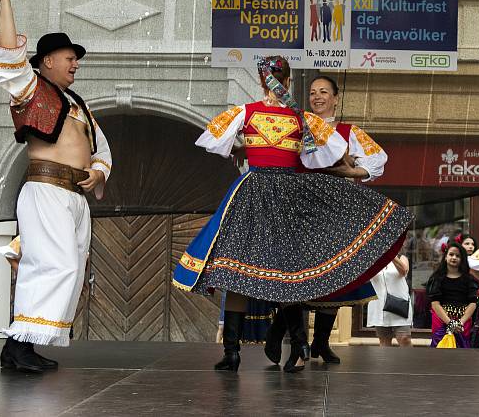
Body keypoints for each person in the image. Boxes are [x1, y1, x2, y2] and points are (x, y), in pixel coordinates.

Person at [172, 56, 413, 373]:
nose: (275, 81)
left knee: (261, 273)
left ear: (276, 81)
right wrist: (245, 149)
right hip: (270, 195)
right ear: (276, 81)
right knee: (259, 274)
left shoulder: (276, 116)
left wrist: (244, 149)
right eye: (272, 76)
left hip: (271, 196)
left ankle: (273, 347)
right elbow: (215, 140)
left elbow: (333, 153)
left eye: (278, 76)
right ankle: (261, 348)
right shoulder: (277, 115)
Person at [0, 0, 112, 373]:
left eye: (76, 58)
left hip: (74, 197)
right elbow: (7, 58)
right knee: (56, 266)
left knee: (69, 266)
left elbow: (102, 149)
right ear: (47, 62)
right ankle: (19, 346)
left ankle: (25, 346)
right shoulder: (31, 87)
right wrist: (5, 0)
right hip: (46, 191)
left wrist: (97, 172)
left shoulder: (79, 105)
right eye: (69, 57)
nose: (75, 63)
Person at [263, 74, 391, 365]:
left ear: (336, 98)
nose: (317, 96)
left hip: (334, 212)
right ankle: (288, 334)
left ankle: (320, 341)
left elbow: (376, 162)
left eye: (324, 92)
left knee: (331, 277)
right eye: (312, 92)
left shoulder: (348, 131)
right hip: (298, 210)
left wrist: (348, 173)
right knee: (295, 275)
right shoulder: (295, 126)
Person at [426, 242, 478, 348]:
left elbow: (473, 303)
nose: (454, 257)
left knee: (462, 354)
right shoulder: (437, 278)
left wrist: (460, 322)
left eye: (458, 256)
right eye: (451, 254)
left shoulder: (469, 279)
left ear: (462, 259)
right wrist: (450, 323)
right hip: (441, 320)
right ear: (445, 257)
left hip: (463, 322)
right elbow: (435, 303)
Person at [367, 255, 413, 347]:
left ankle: (409, 361)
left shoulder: (401, 257)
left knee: (404, 338)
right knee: (384, 341)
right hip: (379, 306)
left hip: (399, 306)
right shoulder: (370, 257)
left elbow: (404, 271)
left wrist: (390, 254)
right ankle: (386, 361)